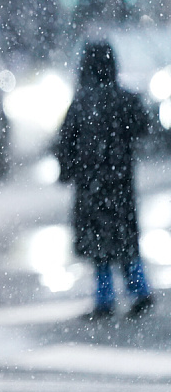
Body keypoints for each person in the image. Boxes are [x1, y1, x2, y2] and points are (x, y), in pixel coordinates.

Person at [56, 40, 154, 321]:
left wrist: (67, 171)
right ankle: (139, 291)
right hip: (120, 184)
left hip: (91, 187)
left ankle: (104, 298)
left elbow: (66, 144)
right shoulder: (124, 100)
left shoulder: (81, 103)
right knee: (125, 242)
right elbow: (143, 128)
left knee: (98, 246)